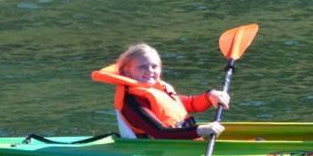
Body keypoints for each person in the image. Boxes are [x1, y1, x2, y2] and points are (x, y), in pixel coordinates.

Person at [92, 43, 229, 140]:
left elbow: (191, 103)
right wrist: (199, 130)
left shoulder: (157, 89)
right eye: (142, 67)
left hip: (183, 141)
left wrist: (210, 96)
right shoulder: (131, 100)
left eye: (154, 66)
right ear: (127, 71)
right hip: (156, 149)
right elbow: (159, 132)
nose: (150, 71)